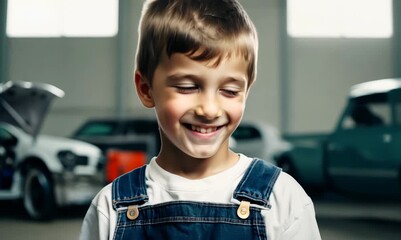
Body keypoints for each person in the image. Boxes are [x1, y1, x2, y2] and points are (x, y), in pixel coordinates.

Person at [79, 0, 321, 239]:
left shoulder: (282, 199)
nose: (209, 110)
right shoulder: (111, 207)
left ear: (246, 92)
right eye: (187, 87)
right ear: (146, 89)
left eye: (229, 91)